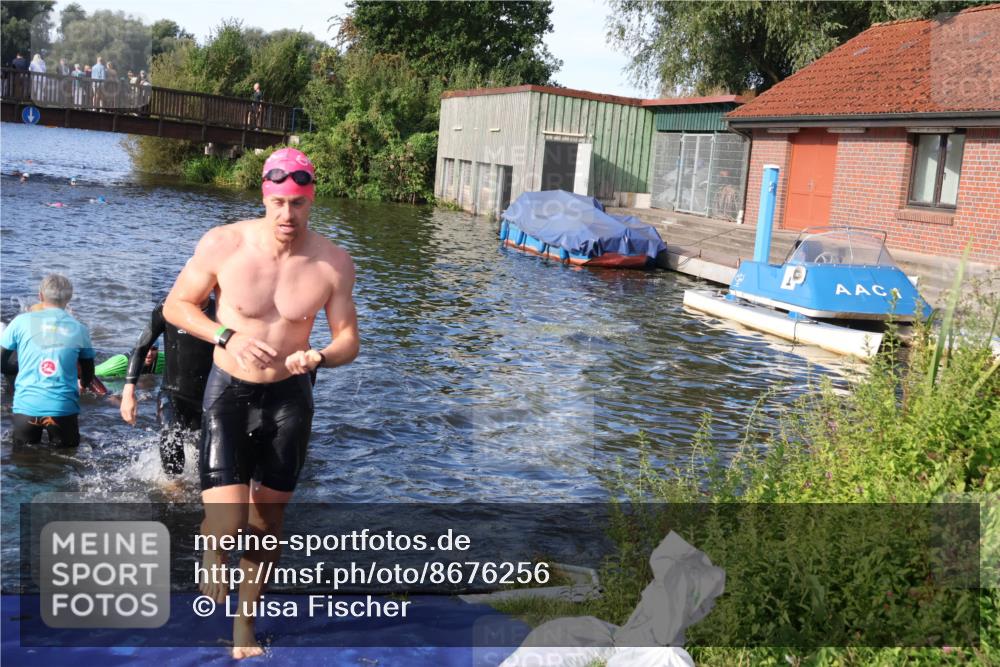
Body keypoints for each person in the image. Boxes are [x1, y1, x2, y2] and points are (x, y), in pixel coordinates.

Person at [163, 147, 359, 659]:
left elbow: (348, 340)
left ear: (311, 200)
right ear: (264, 197)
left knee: (267, 523)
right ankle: (211, 546)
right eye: (278, 202)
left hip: (290, 397)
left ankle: (243, 627)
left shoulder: (333, 263)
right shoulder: (224, 243)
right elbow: (176, 305)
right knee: (228, 525)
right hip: (229, 391)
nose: (287, 215)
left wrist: (317, 356)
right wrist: (225, 334)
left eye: (297, 203)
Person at [120, 297, 216, 476]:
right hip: (173, 393)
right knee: (170, 436)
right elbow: (141, 348)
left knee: (202, 460)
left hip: (209, 397)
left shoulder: (221, 310)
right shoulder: (168, 308)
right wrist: (128, 391)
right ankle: (173, 487)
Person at [0, 275, 95, 447]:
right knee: (65, 461)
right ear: (69, 298)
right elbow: (88, 371)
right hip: (63, 408)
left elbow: (2, 360)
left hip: (26, 406)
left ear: (40, 296)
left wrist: (19, 372)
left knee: (23, 462)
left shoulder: (20, 322)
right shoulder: (80, 329)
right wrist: (83, 383)